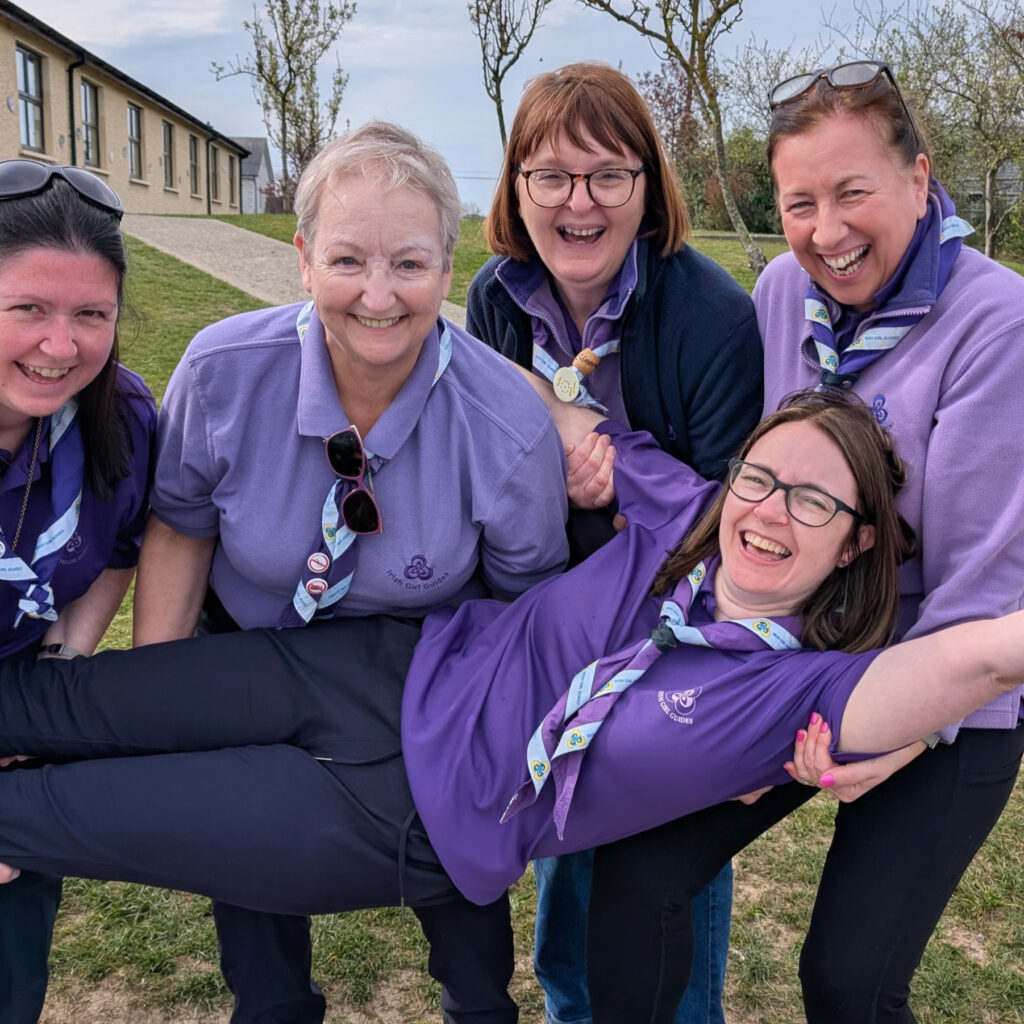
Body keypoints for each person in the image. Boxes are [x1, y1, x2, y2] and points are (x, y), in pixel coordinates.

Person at [0, 390, 1021, 1024]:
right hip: (378, 669)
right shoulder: (692, 513)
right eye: (762, 476)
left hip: (401, 824)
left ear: (853, 542)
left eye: (815, 500)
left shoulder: (798, 691)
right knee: (62, 699)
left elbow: (979, 660)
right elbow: (553, 408)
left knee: (47, 819)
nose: (768, 511)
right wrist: (542, 395)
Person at [586, 59, 1024, 1024]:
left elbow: (981, 592)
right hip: (800, 656)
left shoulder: (999, 322)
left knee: (847, 982)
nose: (826, 231)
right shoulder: (785, 289)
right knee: (638, 871)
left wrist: (901, 734)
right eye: (798, 202)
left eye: (853, 192)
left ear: (919, 176)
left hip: (945, 685)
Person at [131, 122, 569, 1024]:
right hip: (250, 649)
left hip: (423, 678)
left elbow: (527, 610)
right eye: (347, 260)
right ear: (300, 258)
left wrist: (494, 769)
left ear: (451, 267)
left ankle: (477, 1007)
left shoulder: (506, 426)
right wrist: (160, 703)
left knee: (466, 912)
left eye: (409, 264)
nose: (378, 295)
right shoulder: (219, 371)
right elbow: (179, 528)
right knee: (249, 881)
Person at [466, 61, 762, 1024]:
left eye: (607, 174)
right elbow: (482, 458)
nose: (578, 201)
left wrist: (607, 456)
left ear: (649, 185)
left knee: (660, 877)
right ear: (516, 187)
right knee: (567, 867)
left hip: (678, 634)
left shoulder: (710, 315)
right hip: (556, 615)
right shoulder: (496, 302)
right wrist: (553, 463)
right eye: (550, 175)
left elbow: (733, 519)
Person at [0, 160, 155, 1024]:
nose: (62, 348)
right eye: (27, 309)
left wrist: (54, 678)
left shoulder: (121, 419)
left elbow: (121, 548)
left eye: (90, 315)